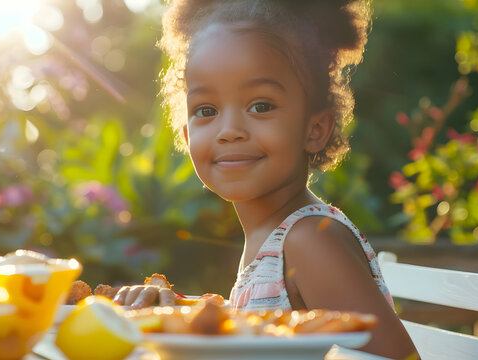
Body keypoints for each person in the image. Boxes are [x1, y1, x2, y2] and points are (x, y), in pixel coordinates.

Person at [114, 0, 419, 358]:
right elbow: (265, 329)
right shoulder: (273, 240)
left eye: (260, 106)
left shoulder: (310, 242)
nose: (229, 131)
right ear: (185, 133)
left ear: (315, 129)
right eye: (206, 110)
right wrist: (172, 309)